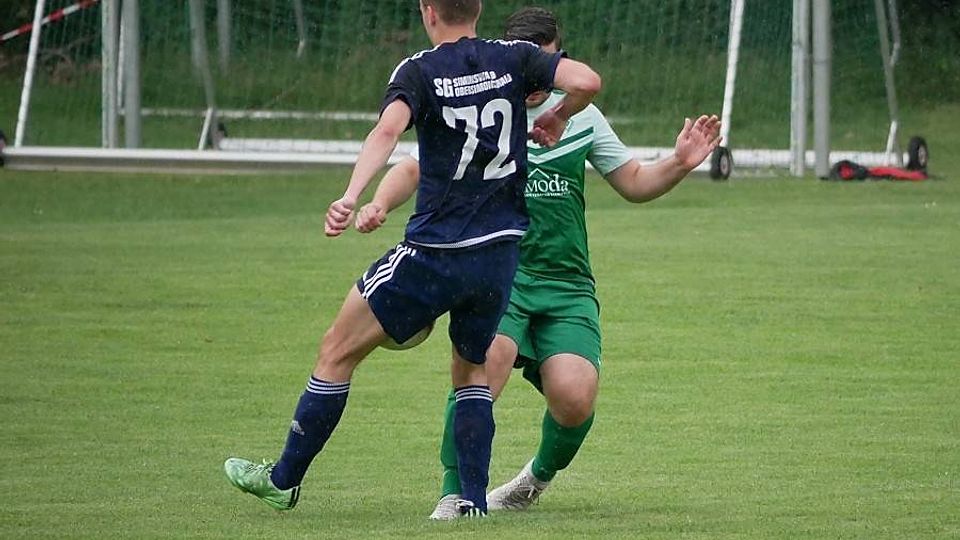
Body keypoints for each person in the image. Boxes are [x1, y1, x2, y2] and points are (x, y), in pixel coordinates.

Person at [222, 0, 601, 519]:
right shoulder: (514, 57)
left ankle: (283, 479)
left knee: (337, 350)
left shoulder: (419, 70)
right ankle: (469, 501)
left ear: (428, 10)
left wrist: (351, 195)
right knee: (472, 372)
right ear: (479, 8)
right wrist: (558, 115)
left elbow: (387, 132)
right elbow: (587, 81)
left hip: (434, 252)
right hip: (497, 256)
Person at [353, 6, 721, 520]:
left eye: (550, 68)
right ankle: (454, 492)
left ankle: (531, 483)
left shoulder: (581, 117)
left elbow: (635, 182)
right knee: (485, 367)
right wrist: (377, 203)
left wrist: (679, 163)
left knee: (575, 396)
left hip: (567, 284)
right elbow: (412, 168)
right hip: (503, 276)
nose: (540, 83)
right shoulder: (483, 101)